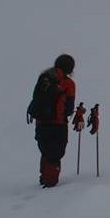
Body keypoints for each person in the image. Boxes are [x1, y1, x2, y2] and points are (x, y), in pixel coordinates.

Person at [33, 54, 76, 187]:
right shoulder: (68, 83)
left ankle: (44, 178)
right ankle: (50, 185)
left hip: (41, 123)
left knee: (46, 151)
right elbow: (69, 109)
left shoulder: (43, 78)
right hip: (58, 125)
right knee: (56, 153)